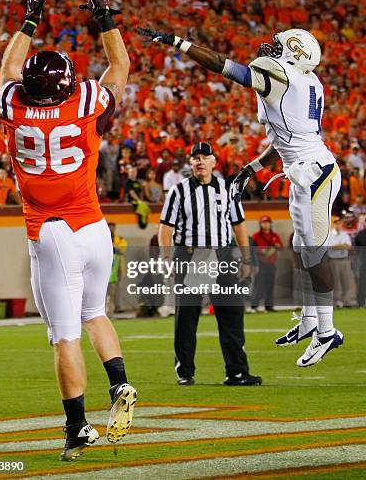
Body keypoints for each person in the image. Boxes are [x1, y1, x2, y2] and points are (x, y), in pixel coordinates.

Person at [0, 0, 136, 461]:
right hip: (94, 226)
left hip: (50, 231)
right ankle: (119, 384)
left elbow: (8, 68)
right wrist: (104, 14)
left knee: (63, 336)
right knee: (95, 312)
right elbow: (120, 66)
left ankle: (77, 427)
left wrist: (30, 17)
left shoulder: (13, 104)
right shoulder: (86, 102)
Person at [140, 26, 343, 367]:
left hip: (314, 173)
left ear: (294, 52)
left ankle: (327, 330)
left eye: (279, 45)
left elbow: (224, 66)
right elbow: (287, 136)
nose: (271, 47)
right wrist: (254, 166)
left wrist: (178, 42)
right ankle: (311, 321)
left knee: (314, 253)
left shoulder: (280, 74)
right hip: (305, 168)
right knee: (303, 248)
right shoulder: (309, 81)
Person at [159, 141, 262, 386]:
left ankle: (237, 372)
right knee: (186, 316)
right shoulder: (179, 190)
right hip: (190, 255)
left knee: (232, 313)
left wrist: (246, 258)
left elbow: (239, 224)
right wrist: (165, 258)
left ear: (214, 162)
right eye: (195, 158)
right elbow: (165, 227)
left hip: (222, 255)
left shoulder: (228, 189)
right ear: (190, 163)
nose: (199, 161)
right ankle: (185, 372)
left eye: (205, 157)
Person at [251, 216, 283, 312]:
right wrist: (262, 251)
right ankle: (254, 305)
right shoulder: (256, 236)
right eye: (264, 223)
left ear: (270, 224)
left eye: (267, 222)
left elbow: (280, 246)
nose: (266, 224)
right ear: (260, 224)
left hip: (271, 263)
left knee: (270, 285)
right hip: (260, 263)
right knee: (259, 285)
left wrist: (277, 246)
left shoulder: (274, 235)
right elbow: (252, 249)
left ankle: (269, 306)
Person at [328, 217, 355, 307]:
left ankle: (346, 301)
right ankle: (337, 301)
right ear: (334, 224)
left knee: (346, 281)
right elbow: (332, 246)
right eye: (336, 223)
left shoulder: (345, 234)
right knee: (336, 282)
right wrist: (342, 245)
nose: (338, 225)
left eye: (339, 223)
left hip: (344, 259)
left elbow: (349, 246)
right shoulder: (330, 234)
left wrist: (339, 246)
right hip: (334, 260)